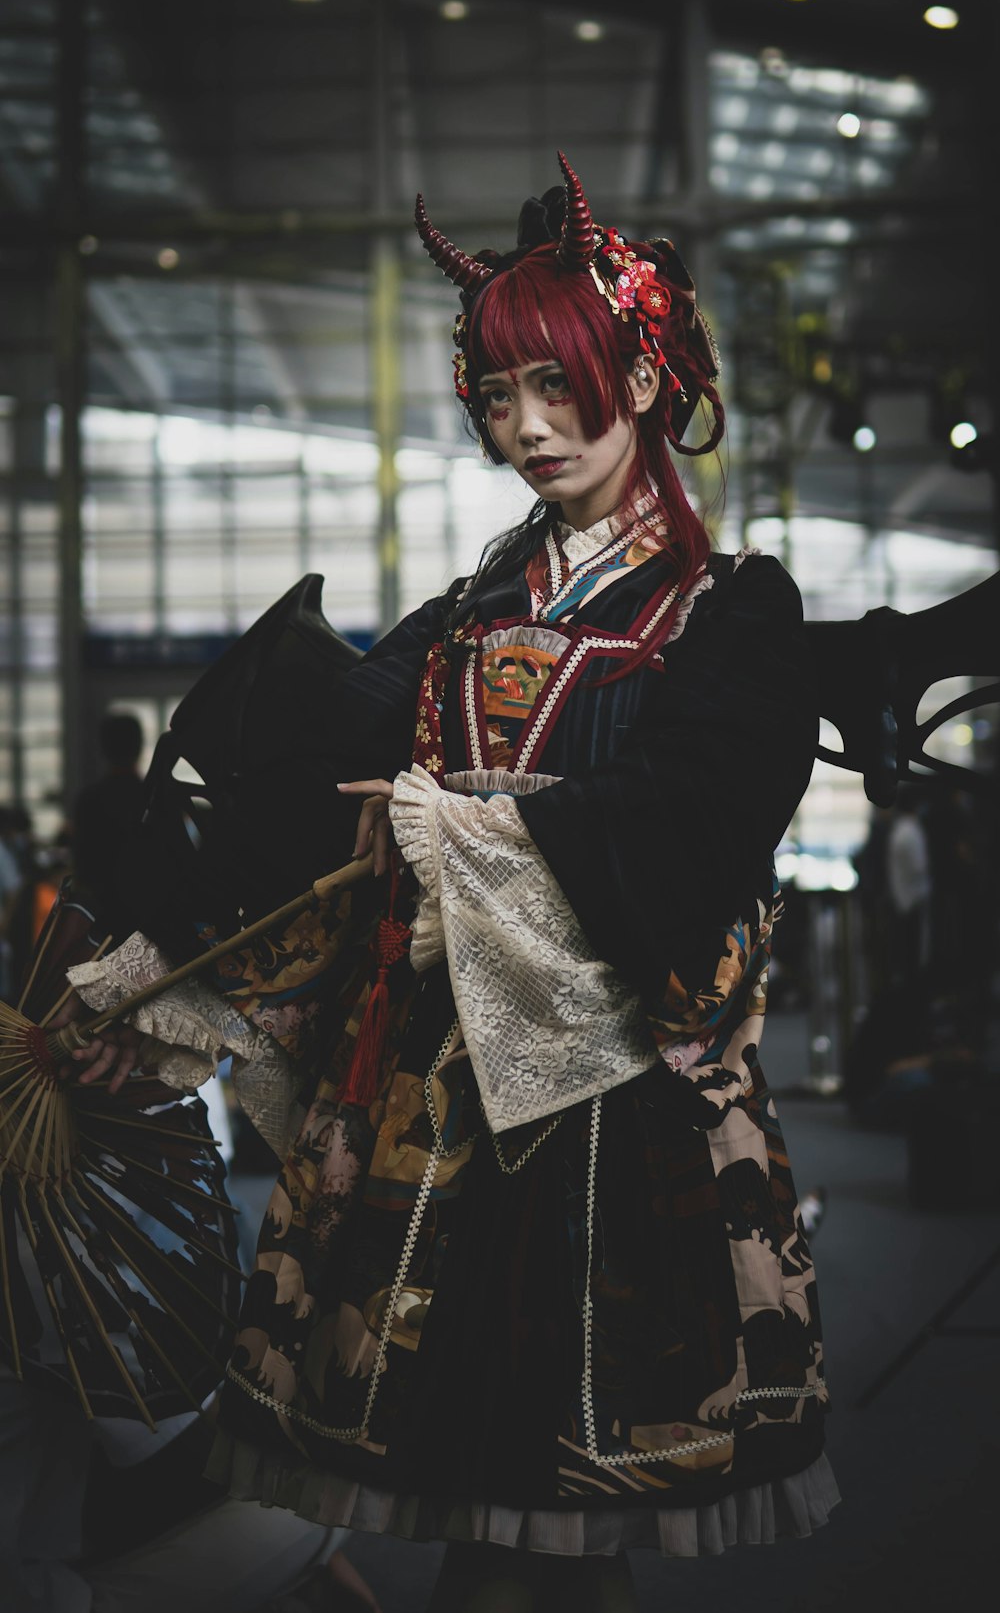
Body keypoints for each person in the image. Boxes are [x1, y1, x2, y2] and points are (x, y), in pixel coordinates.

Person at [120, 156, 839, 1608]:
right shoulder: (465, 614)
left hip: (617, 1117)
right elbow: (307, 801)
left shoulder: (729, 609)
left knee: (566, 1512)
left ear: (641, 376)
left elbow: (699, 825)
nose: (525, 429)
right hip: (435, 1115)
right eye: (497, 397)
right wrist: (148, 960)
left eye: (554, 387)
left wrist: (477, 825)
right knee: (477, 1520)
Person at [72, 712, 147, 941]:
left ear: (103, 749)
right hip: (149, 919)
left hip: (101, 921)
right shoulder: (153, 799)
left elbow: (82, 867)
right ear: (140, 747)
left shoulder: (89, 801)